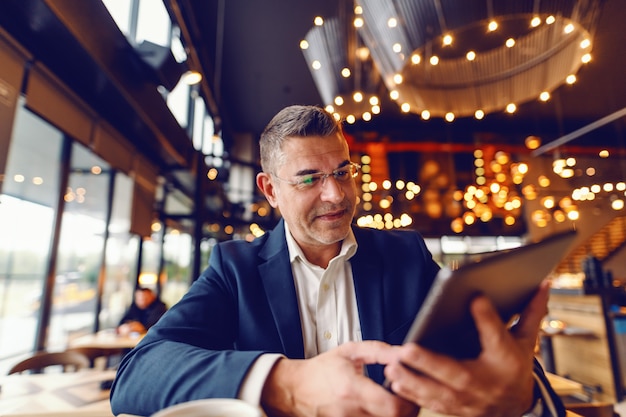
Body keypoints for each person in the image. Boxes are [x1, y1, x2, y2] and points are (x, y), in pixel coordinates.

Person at [110, 105, 565, 417]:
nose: (336, 194)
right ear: (270, 190)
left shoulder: (404, 256)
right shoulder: (235, 269)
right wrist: (287, 384)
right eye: (309, 179)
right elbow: (138, 374)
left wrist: (525, 398)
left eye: (343, 172)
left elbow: (493, 362)